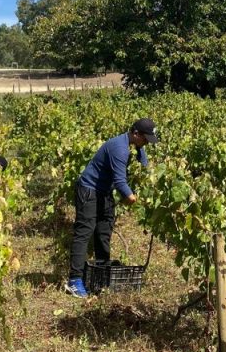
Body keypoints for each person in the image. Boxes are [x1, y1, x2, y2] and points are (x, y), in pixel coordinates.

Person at [66, 118, 158, 298]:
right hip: (89, 190)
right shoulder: (119, 149)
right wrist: (131, 197)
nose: (147, 143)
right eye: (145, 139)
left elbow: (144, 167)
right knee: (84, 232)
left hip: (104, 192)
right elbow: (120, 181)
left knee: (103, 232)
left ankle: (101, 274)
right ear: (135, 133)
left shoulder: (135, 145)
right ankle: (74, 280)